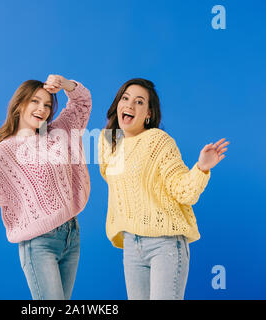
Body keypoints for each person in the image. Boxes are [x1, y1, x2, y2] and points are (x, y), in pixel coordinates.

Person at [98, 78, 229, 300]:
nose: (130, 105)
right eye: (125, 98)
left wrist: (201, 168)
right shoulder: (108, 143)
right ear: (118, 104)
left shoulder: (158, 140)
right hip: (131, 244)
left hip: (165, 244)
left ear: (148, 113)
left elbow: (182, 191)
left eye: (139, 102)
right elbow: (115, 182)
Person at [0, 74, 92, 299]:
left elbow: (81, 103)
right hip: (39, 243)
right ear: (19, 105)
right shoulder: (5, 152)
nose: (42, 109)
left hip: (71, 235)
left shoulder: (56, 134)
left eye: (46, 105)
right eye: (35, 101)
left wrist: (64, 84)